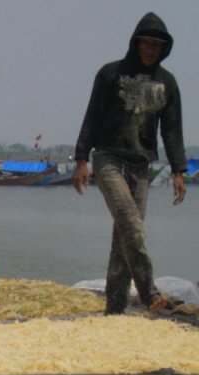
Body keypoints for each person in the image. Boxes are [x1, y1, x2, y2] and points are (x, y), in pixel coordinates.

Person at [73, 12, 187, 315]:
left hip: (141, 165)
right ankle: (150, 293)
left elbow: (172, 130)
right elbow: (92, 118)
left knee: (123, 236)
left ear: (164, 49)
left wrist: (178, 170)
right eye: (146, 44)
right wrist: (81, 159)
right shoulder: (110, 74)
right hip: (108, 158)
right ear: (136, 43)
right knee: (132, 227)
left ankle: (115, 308)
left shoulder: (167, 83)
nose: (151, 50)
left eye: (157, 46)